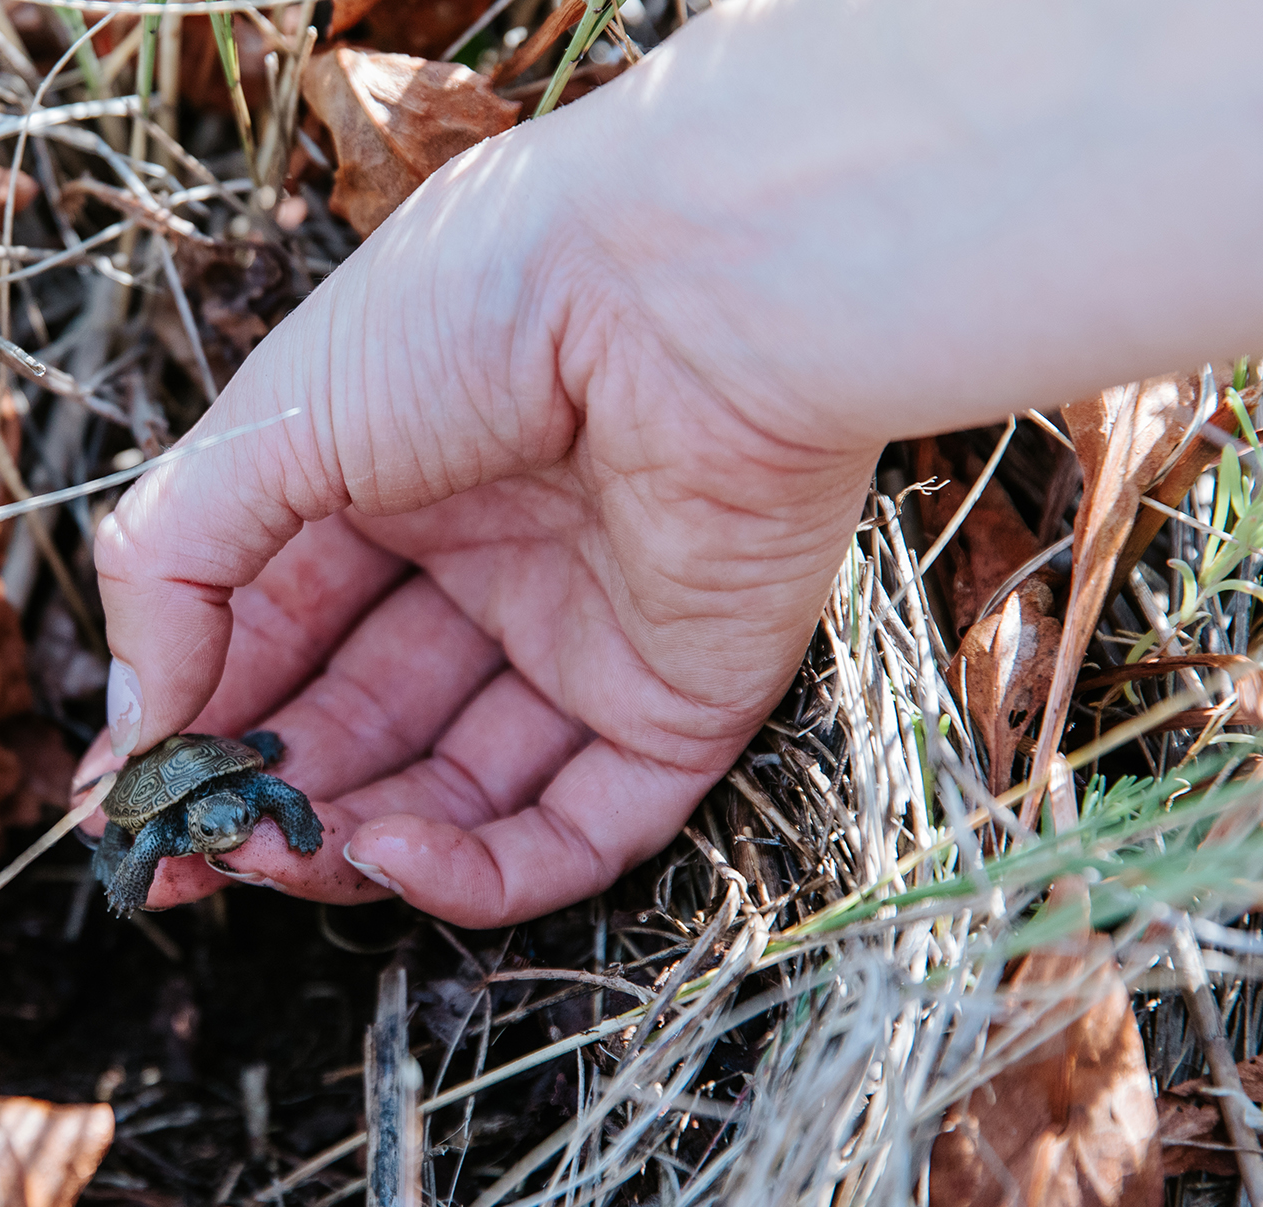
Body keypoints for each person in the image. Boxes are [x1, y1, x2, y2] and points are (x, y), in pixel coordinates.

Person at [73, 0, 1263, 928]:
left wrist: (653, 284)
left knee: (277, 782)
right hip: (181, 770)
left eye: (214, 810)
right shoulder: (169, 811)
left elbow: (258, 792)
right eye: (211, 816)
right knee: (165, 838)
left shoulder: (240, 790)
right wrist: (685, 295)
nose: (222, 817)